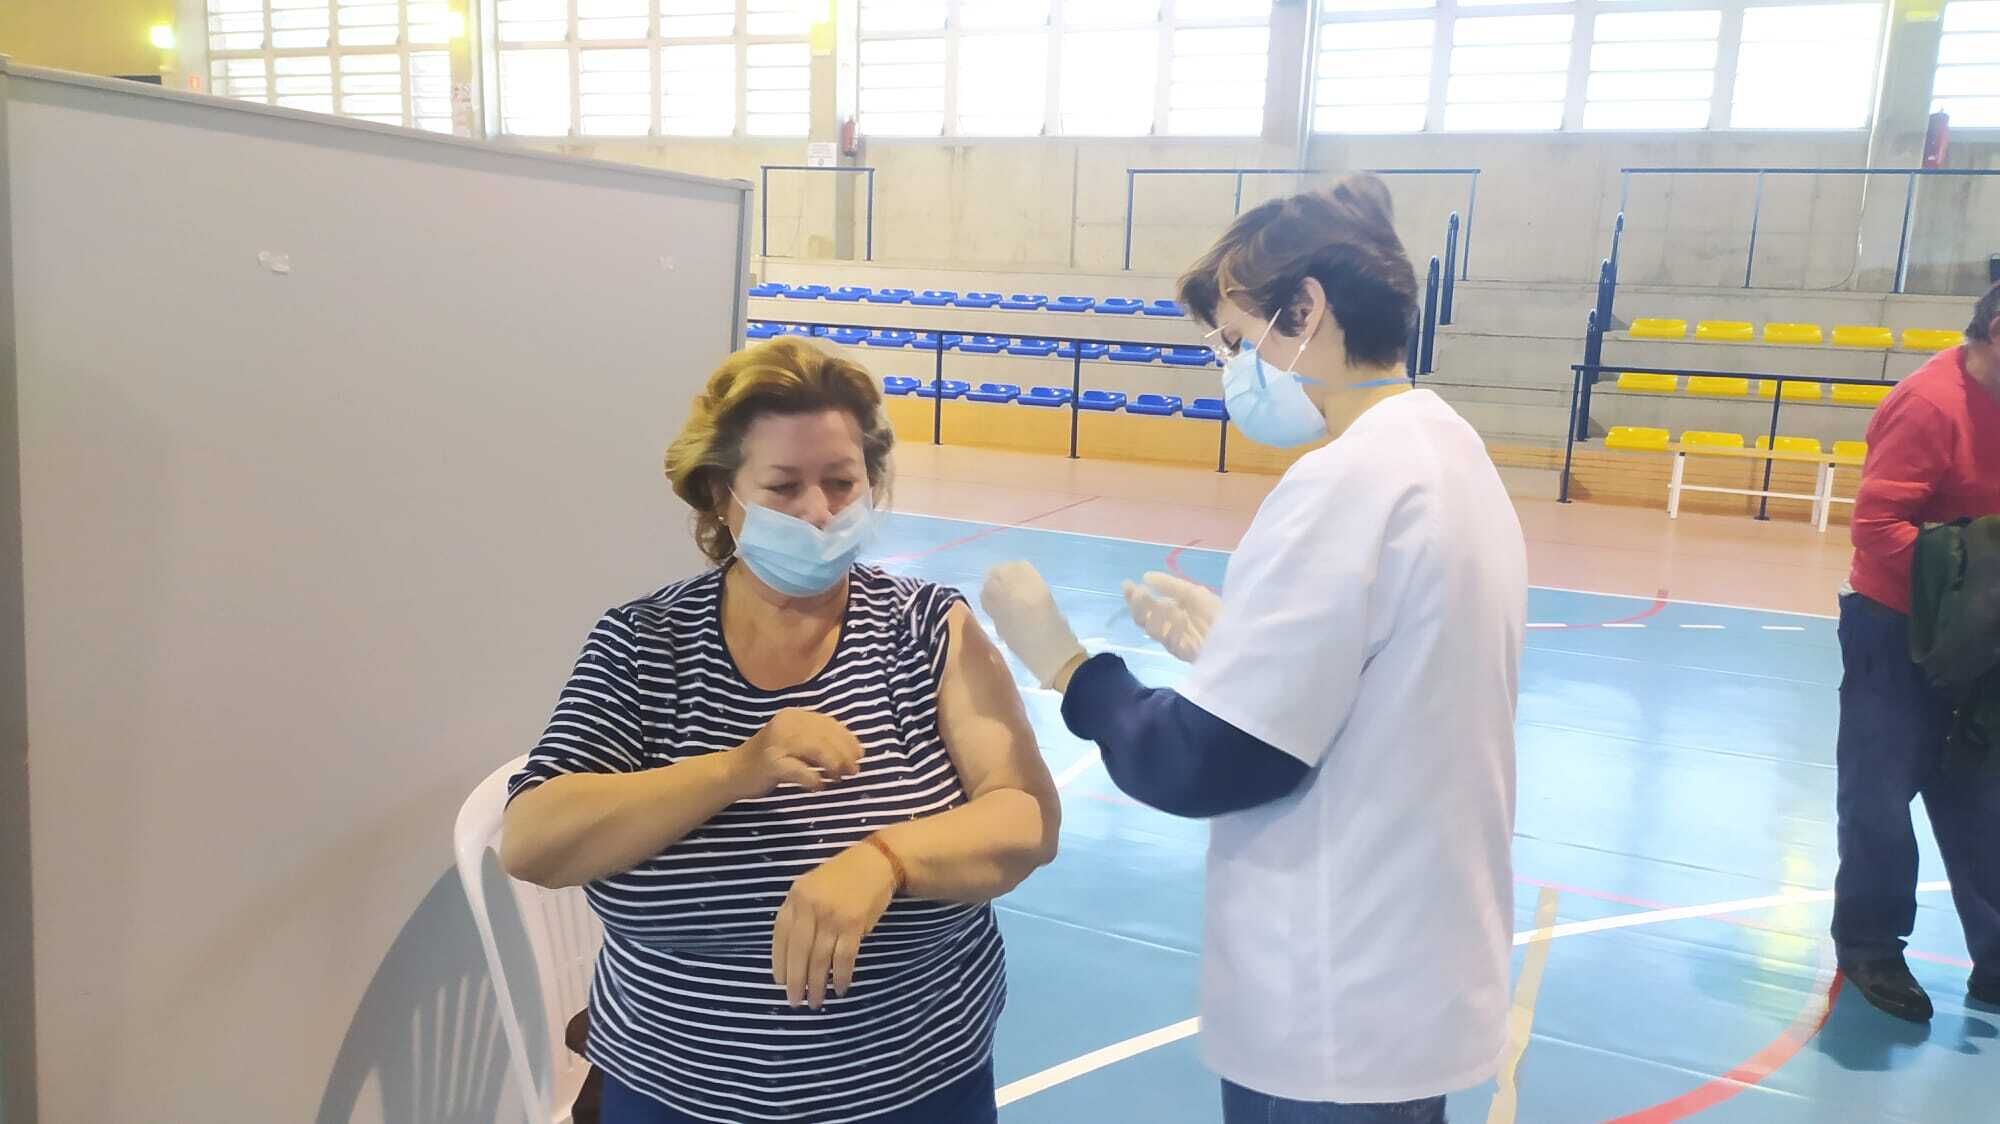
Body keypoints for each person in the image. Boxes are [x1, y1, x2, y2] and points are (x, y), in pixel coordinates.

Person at [981, 175, 1525, 1124]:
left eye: (1239, 340)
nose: (1234, 368)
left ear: (1305, 310)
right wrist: (1240, 651)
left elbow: (1203, 763)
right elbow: (1387, 690)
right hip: (1410, 977)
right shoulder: (1448, 453)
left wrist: (1069, 667)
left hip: (1334, 1000)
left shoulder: (1346, 483)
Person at [500, 337, 1061, 1123]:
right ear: (720, 494)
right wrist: (739, 767)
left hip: (915, 1088)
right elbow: (532, 840)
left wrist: (886, 860)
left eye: (841, 482)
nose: (819, 513)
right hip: (676, 1095)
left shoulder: (927, 629)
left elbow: (1026, 817)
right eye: (783, 487)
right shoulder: (645, 644)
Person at [1832, 280, 2000, 1023]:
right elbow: (1877, 527)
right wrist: (1968, 587)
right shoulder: (1930, 405)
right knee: (1879, 796)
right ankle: (1870, 946)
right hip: (1895, 630)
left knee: (1985, 801)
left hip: (1983, 638)